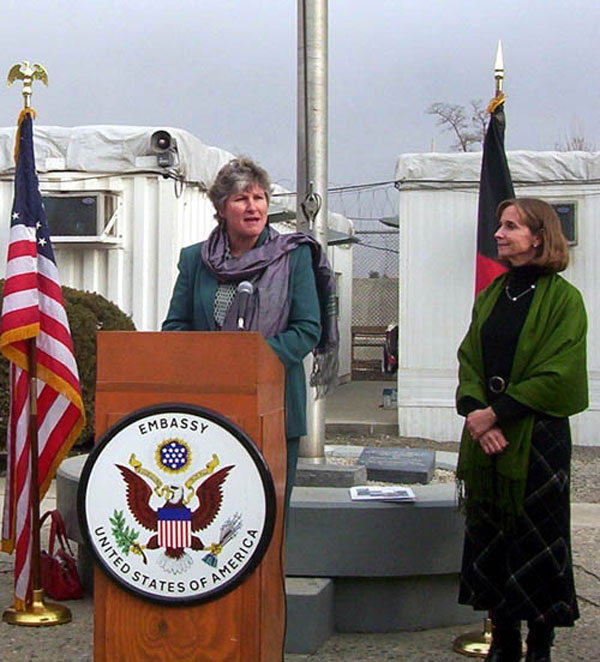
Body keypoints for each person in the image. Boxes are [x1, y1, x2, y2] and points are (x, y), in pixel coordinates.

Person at [162, 156, 338, 512]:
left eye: (259, 198)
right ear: (221, 208)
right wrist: (212, 362)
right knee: (213, 508)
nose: (253, 207)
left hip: (275, 406)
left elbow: (307, 329)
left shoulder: (293, 256)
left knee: (266, 513)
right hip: (209, 408)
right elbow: (175, 327)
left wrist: (248, 361)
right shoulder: (196, 260)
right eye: (242, 199)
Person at [456, 198, 588, 662]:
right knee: (493, 536)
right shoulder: (492, 295)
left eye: (510, 226)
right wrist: (478, 415)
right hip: (488, 438)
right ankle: (504, 639)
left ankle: (540, 645)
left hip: (538, 441)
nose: (498, 233)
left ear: (538, 237)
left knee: (538, 540)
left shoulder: (564, 300)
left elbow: (561, 373)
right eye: (499, 225)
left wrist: (499, 413)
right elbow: (469, 358)